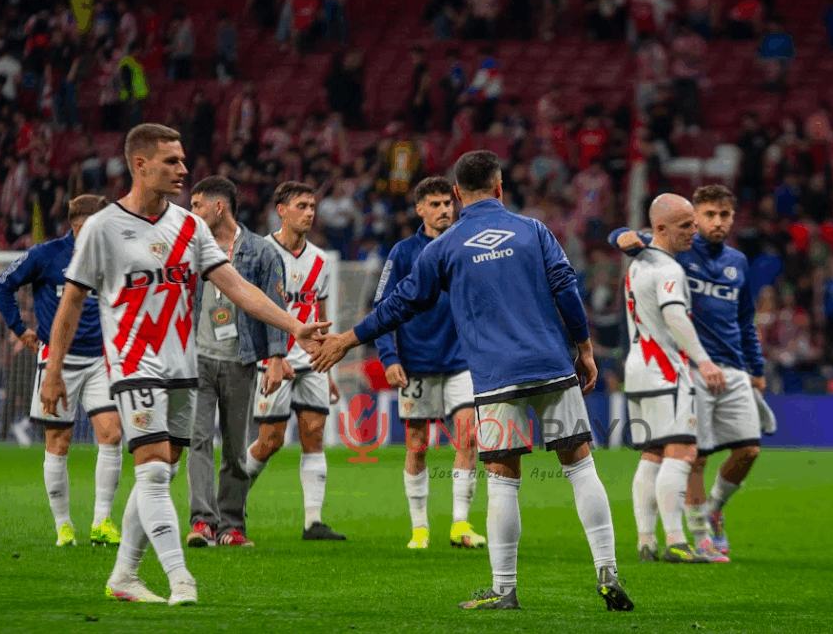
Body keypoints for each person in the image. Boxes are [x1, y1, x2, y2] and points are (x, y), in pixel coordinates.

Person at [308, 150, 633, 612]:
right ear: (500, 188)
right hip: (551, 366)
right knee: (580, 467)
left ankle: (505, 590)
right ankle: (607, 571)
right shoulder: (534, 230)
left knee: (503, 480)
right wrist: (583, 348)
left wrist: (347, 339)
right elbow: (565, 287)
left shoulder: (444, 246)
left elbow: (400, 303)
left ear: (457, 195)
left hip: (495, 377)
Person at [39, 124, 329, 606]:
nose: (183, 169)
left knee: (163, 471)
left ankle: (123, 576)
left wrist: (294, 325)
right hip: (135, 365)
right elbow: (70, 303)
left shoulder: (189, 227)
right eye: (171, 161)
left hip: (182, 368)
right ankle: (181, 580)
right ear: (140, 165)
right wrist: (53, 372)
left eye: (182, 159)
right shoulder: (102, 228)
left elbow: (237, 287)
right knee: (153, 472)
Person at [609, 185, 766, 560]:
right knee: (684, 452)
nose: (697, 230)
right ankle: (681, 540)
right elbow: (675, 314)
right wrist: (703, 360)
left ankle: (647, 540)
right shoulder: (669, 263)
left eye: (720, 216)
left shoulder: (642, 265)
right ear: (664, 229)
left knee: (655, 453)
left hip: (645, 367)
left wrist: (754, 366)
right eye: (692, 222)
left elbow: (746, 320)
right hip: (673, 368)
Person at [0, 194, 123, 548]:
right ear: (80, 225)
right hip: (57, 362)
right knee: (58, 441)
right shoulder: (46, 255)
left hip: (101, 359)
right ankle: (64, 527)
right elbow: (2, 284)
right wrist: (20, 329)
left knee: (111, 434)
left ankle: (102, 522)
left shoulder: (111, 255)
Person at [373, 176, 485, 550]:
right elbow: (382, 308)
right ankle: (419, 527)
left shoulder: (468, 247)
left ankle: (460, 524)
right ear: (420, 209)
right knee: (418, 445)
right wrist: (389, 356)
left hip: (461, 360)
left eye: (447, 204)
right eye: (434, 205)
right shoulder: (403, 253)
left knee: (469, 436)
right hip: (416, 362)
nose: (443, 211)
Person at [185, 176, 290, 548]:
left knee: (234, 446)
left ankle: (230, 525)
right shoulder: (189, 248)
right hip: (195, 358)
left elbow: (276, 306)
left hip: (240, 360)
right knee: (197, 440)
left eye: (197, 205)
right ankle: (201, 522)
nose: (191, 212)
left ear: (218, 207)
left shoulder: (261, 252)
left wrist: (277, 357)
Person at [243, 181, 346, 542]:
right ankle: (232, 505)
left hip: (311, 361)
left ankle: (313, 522)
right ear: (281, 210)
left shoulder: (321, 259)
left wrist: (327, 367)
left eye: (313, 206)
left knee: (314, 434)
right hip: (273, 360)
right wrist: (270, 355)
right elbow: (250, 310)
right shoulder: (259, 253)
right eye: (301, 205)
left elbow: (318, 314)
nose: (309, 212)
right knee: (270, 440)